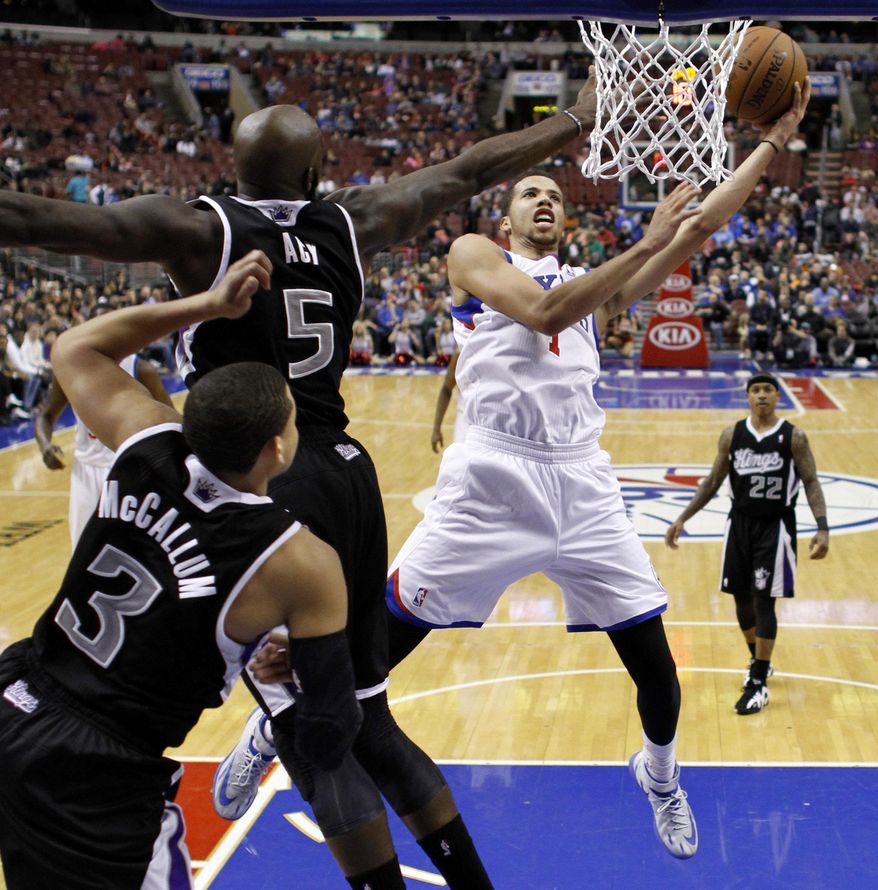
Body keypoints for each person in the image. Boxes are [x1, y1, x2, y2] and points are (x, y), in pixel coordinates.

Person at [0, 76, 600, 890]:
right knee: (372, 720)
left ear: (233, 168)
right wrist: (576, 117)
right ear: (318, 171)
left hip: (255, 475)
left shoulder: (195, 227)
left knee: (312, 734)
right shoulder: (353, 220)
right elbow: (465, 173)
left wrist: (206, 304)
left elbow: (38, 221)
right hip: (343, 470)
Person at [381, 82, 811, 861]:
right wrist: (645, 245)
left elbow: (705, 223)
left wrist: (772, 143)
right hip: (492, 479)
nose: (543, 200)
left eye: (554, 194)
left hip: (580, 481)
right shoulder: (475, 256)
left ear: (567, 218)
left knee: (659, 673)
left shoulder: (598, 290)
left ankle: (660, 773)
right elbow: (543, 313)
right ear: (505, 217)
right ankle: (282, 718)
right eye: (529, 192)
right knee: (380, 646)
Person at [0, 252, 363, 890]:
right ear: (278, 447)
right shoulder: (298, 561)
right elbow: (331, 734)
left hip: (15, 698)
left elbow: (77, 345)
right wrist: (306, 673)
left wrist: (208, 304)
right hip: (98, 772)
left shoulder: (146, 436)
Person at [664, 371, 829, 716]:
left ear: (778, 397)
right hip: (739, 525)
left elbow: (811, 482)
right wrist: (682, 518)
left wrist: (822, 527)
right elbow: (711, 482)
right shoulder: (732, 435)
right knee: (741, 600)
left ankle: (758, 683)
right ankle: (759, 659)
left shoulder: (793, 437)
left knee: (763, 601)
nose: (763, 395)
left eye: (769, 389)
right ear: (748, 397)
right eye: (756, 390)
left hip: (776, 526)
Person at [34, 351, 173, 545]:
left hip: (132, 469)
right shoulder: (71, 366)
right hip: (87, 472)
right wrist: (45, 446)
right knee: (84, 554)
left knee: (139, 553)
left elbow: (171, 423)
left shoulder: (140, 369)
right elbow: (45, 416)